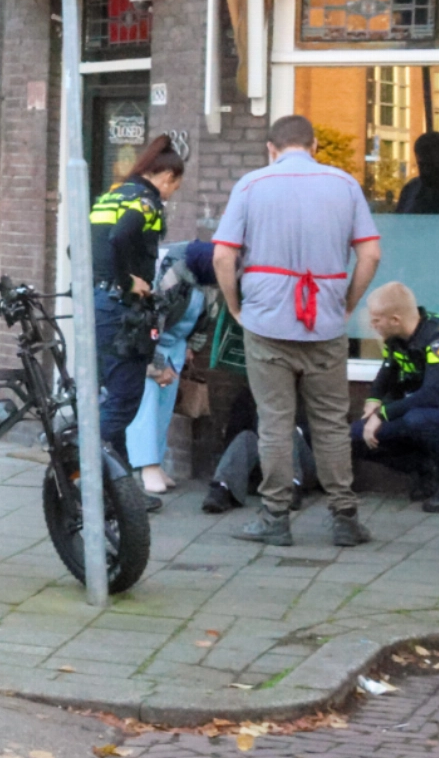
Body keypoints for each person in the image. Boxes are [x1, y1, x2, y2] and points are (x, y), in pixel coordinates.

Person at [213, 114, 382, 548]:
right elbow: (371, 255)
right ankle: (344, 517)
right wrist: (345, 303)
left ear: (271, 148)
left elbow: (222, 258)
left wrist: (236, 307)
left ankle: (275, 518)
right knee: (329, 422)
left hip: (266, 321)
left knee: (274, 423)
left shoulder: (251, 185)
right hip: (324, 322)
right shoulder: (345, 185)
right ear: (314, 147)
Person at [90, 135, 185, 512]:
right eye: (175, 185)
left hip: (97, 304)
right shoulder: (146, 203)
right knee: (124, 399)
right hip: (120, 309)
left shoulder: (110, 195)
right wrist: (127, 281)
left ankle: (118, 491)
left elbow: (76, 247)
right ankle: (84, 473)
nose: (173, 194)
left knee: (113, 393)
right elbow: (120, 237)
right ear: (166, 177)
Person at [352, 282, 439, 513]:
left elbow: (432, 394)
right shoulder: (396, 337)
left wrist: (383, 413)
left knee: (419, 419)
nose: (372, 326)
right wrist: (373, 399)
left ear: (395, 319)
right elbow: (388, 369)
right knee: (352, 437)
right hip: (425, 408)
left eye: (376, 320)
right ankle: (425, 469)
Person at [126, 240, 221, 494]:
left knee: (164, 408)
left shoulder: (209, 284)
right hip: (152, 346)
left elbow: (206, 318)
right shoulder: (171, 276)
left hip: (177, 347)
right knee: (146, 404)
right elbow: (151, 322)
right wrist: (155, 367)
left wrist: (191, 347)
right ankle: (146, 466)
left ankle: (156, 462)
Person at [203, 387, 316, 514]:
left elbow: (317, 438)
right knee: (245, 437)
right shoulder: (247, 397)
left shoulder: (304, 395)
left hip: (301, 464)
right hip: (263, 466)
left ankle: (291, 488)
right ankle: (222, 488)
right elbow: (232, 439)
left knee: (286, 430)